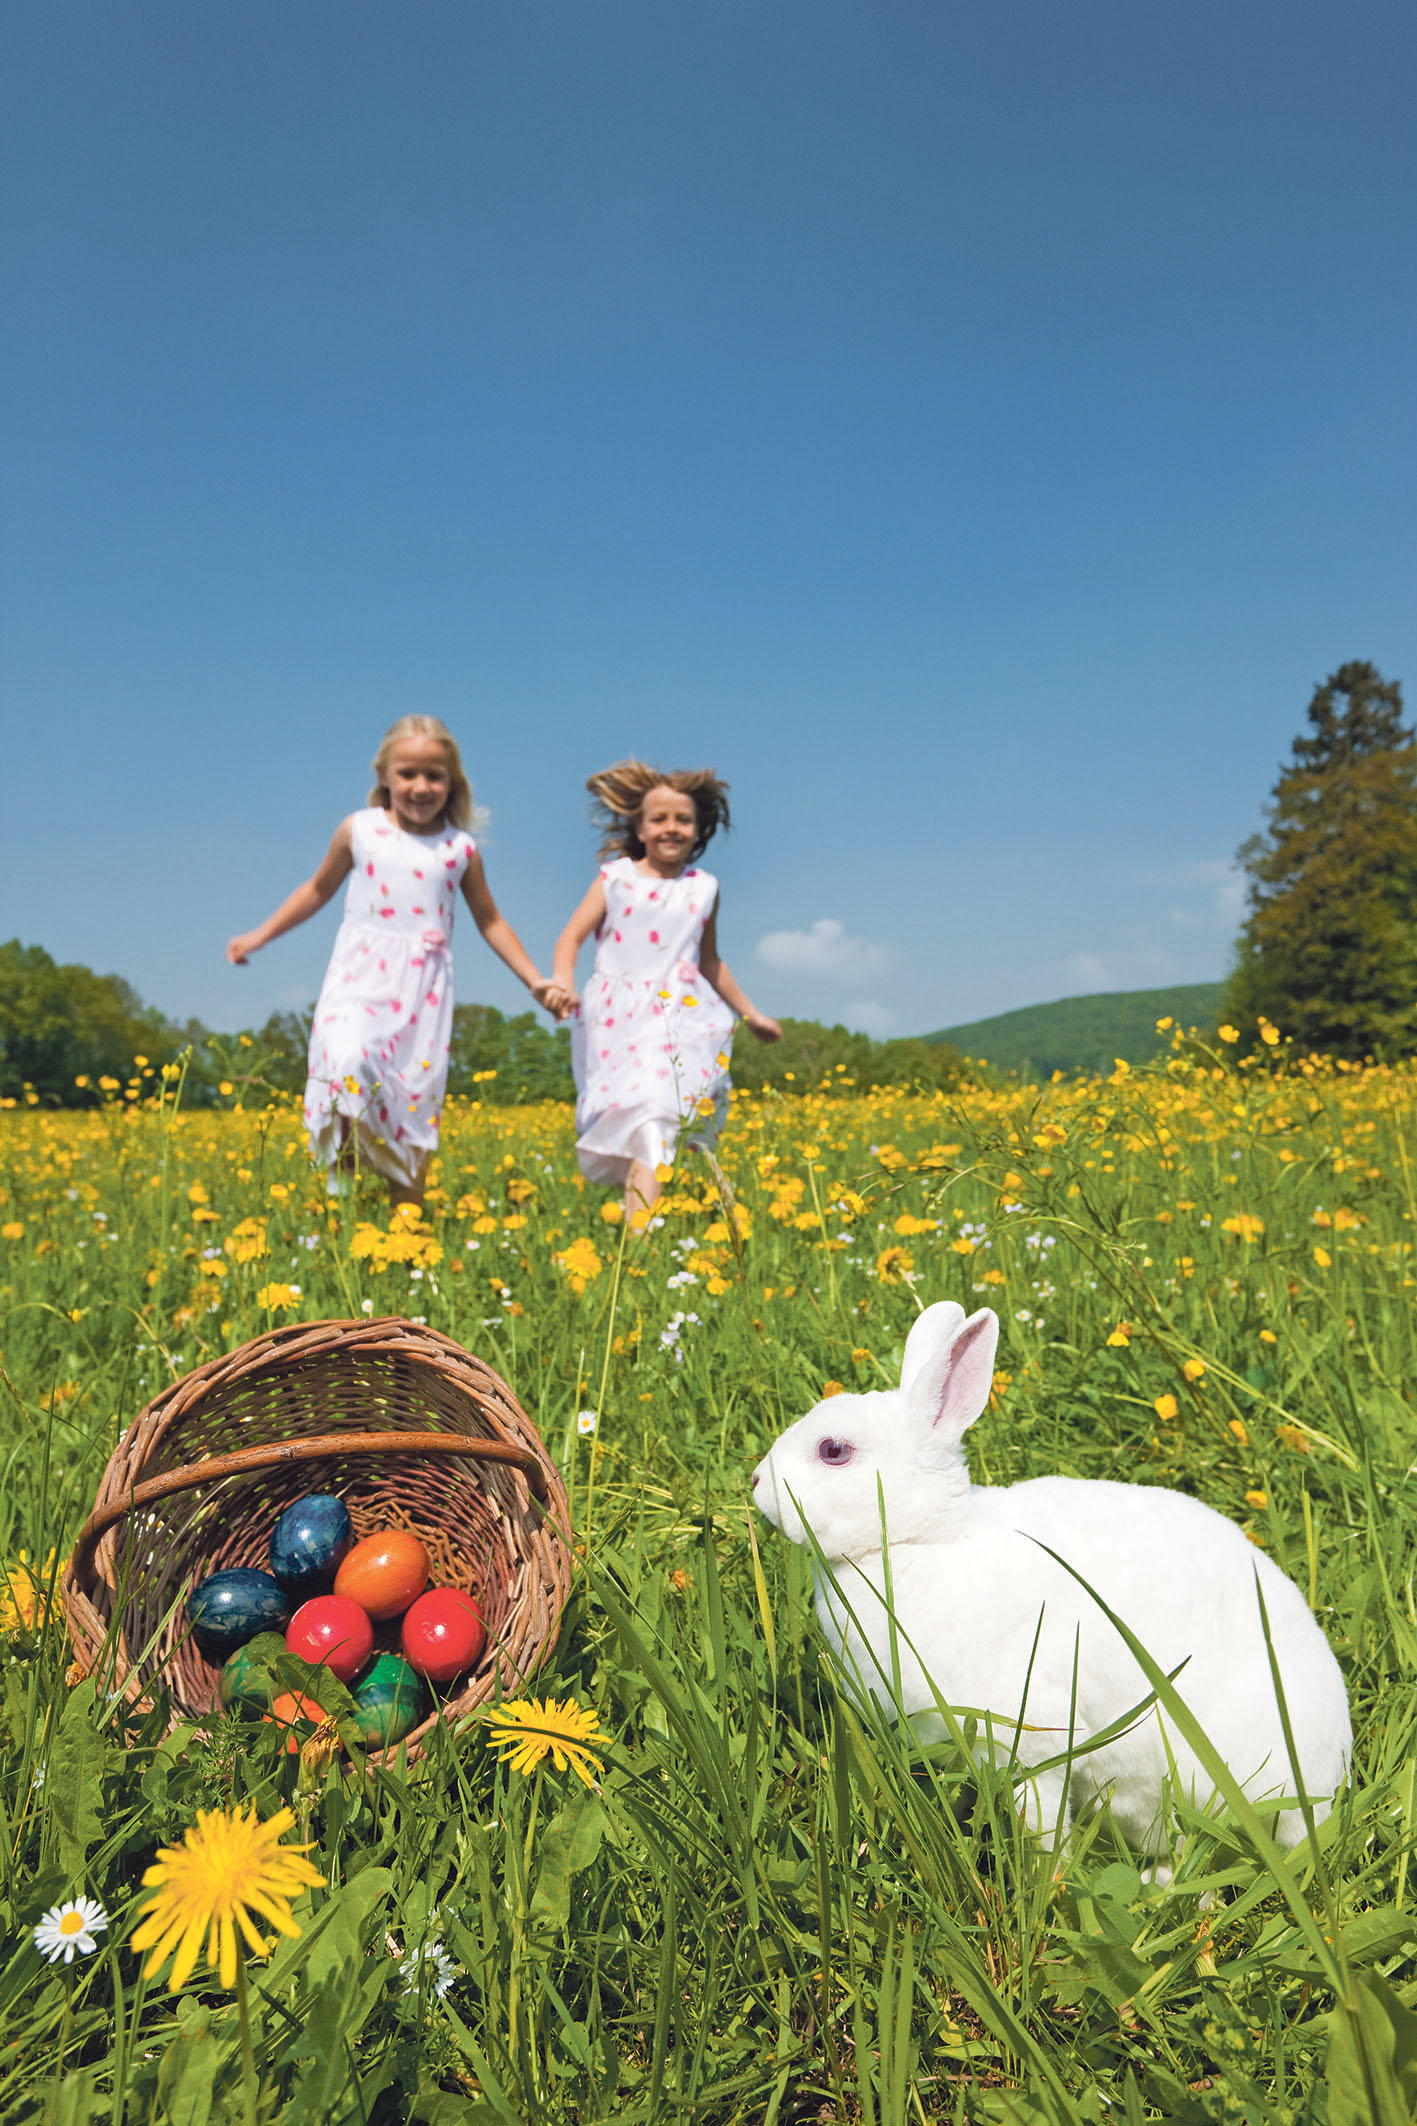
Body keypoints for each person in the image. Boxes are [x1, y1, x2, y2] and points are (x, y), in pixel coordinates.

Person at [227, 715, 564, 1204]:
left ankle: (409, 1225)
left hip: (420, 992)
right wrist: (258, 936)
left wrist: (535, 981)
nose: (421, 787)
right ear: (384, 775)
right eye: (408, 774)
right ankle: (338, 1197)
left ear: (453, 783)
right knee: (345, 1061)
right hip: (357, 977)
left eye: (434, 775)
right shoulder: (358, 830)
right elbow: (317, 890)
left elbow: (490, 920)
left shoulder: (459, 850)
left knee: (410, 1100)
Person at [552, 760, 780, 1226]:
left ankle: (639, 1244)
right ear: (639, 827)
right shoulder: (614, 879)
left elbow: (710, 961)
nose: (671, 828)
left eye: (683, 820)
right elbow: (572, 936)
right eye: (659, 819)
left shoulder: (704, 889)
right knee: (627, 1116)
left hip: (680, 1016)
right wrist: (562, 982)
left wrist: (751, 1014)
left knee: (659, 1110)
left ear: (699, 830)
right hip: (617, 1020)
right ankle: (638, 1218)